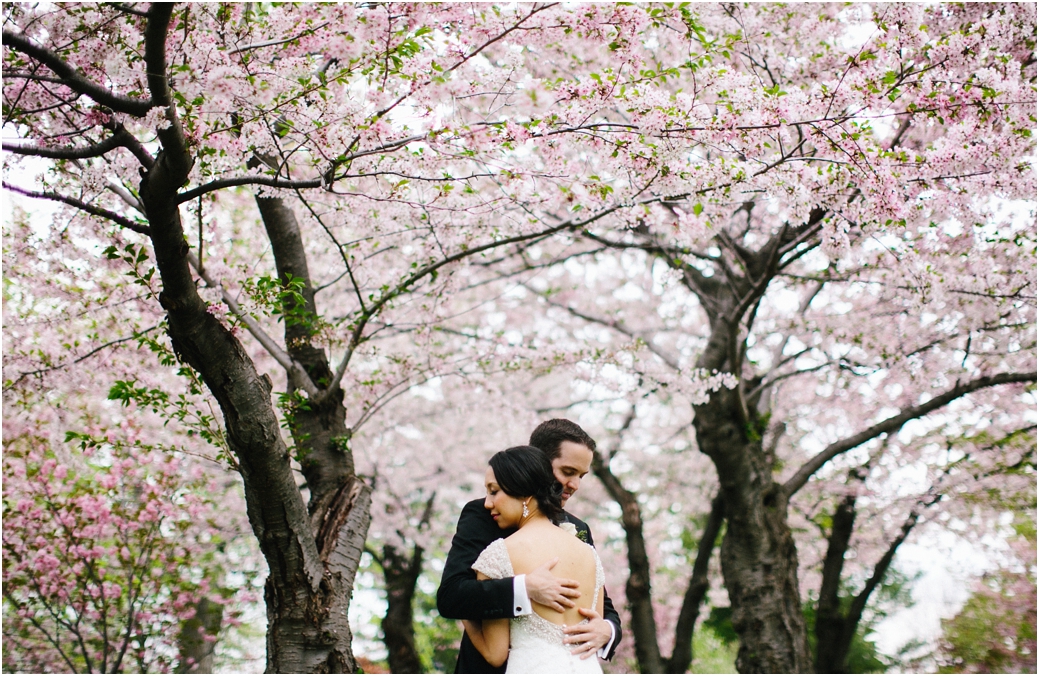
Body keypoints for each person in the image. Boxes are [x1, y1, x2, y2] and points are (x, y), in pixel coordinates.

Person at [437, 419, 621, 673]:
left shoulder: (579, 530)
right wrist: (524, 588)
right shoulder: (483, 514)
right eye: (568, 472)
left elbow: (602, 604)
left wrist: (607, 630)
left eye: (581, 476)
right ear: (538, 463)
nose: (576, 485)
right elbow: (451, 596)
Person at [462, 445, 605, 673]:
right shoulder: (589, 555)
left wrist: (466, 615)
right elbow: (596, 626)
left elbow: (495, 655)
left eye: (494, 491)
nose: (487, 503)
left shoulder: (499, 555)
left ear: (524, 493)